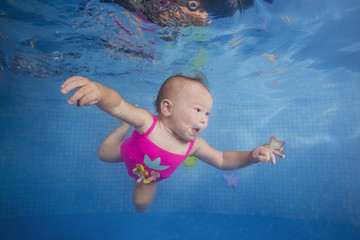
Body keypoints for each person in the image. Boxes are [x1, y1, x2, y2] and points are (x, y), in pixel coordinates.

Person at [60, 75, 285, 212]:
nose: (204, 119)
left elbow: (223, 159)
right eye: (198, 110)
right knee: (102, 154)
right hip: (126, 152)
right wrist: (99, 92)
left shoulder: (194, 146)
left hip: (149, 178)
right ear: (167, 108)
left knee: (141, 205)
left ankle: (139, 219)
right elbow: (118, 105)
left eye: (207, 113)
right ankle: (121, 129)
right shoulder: (147, 123)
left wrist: (250, 156)